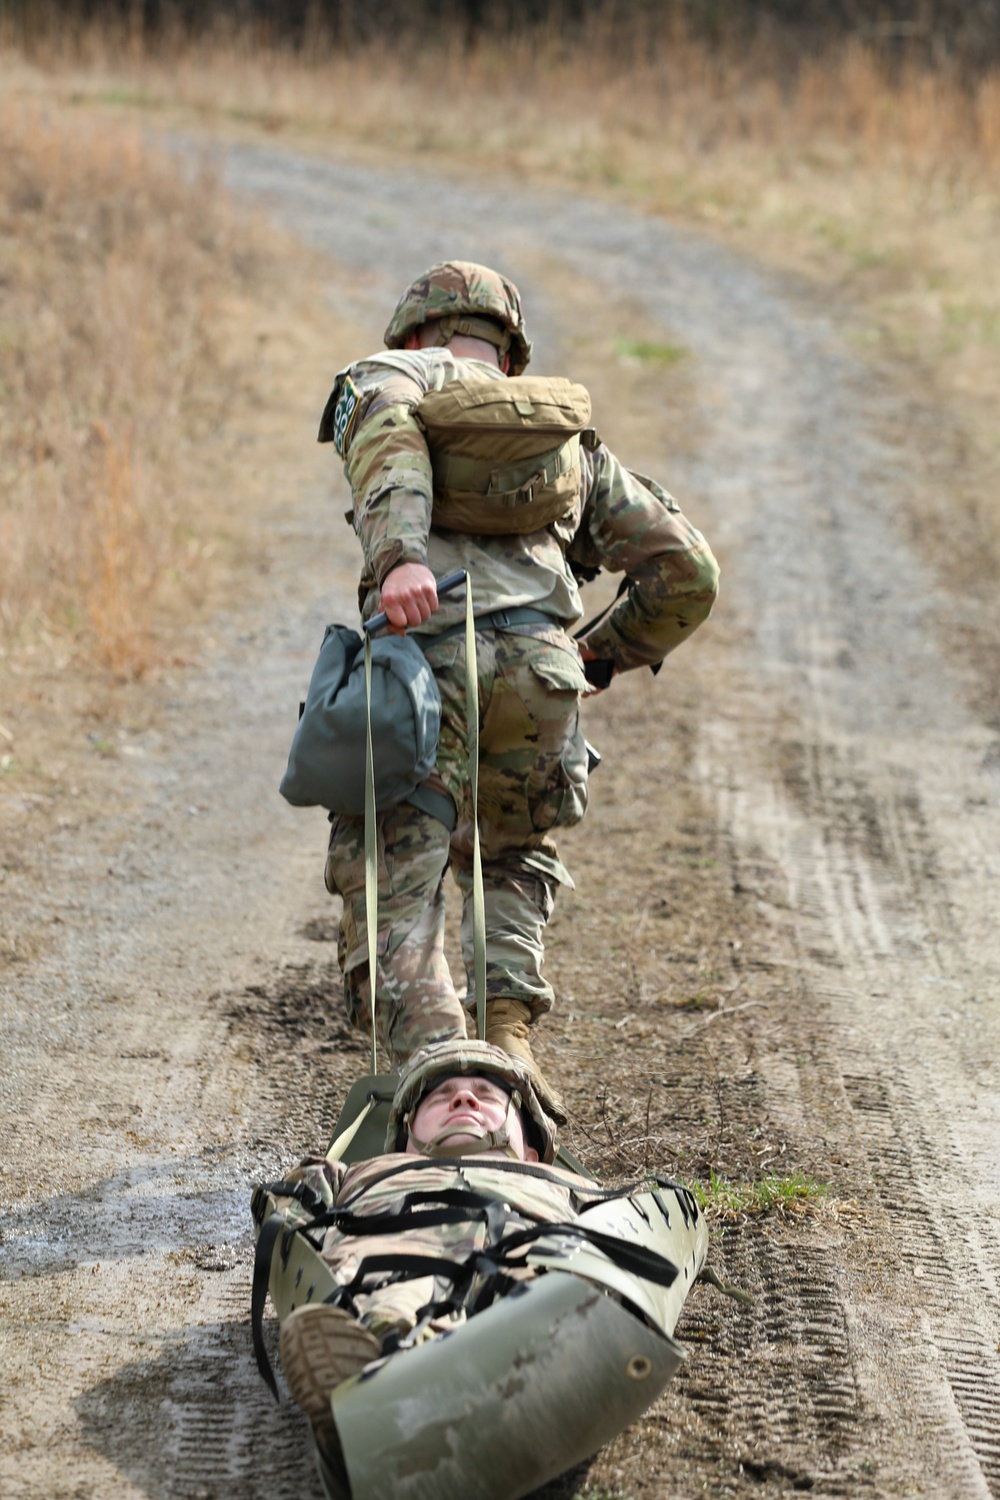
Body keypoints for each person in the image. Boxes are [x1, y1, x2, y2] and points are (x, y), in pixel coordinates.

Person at [317, 261, 720, 1116]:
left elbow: (388, 443)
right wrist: (596, 656)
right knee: (511, 856)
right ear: (508, 349)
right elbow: (688, 571)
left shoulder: (390, 378)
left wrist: (400, 559)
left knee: (398, 867)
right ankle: (509, 1053)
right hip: (540, 674)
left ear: (417, 332)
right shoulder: (560, 433)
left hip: (421, 665)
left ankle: (434, 1078)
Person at [256, 1040, 607, 1466]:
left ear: (532, 1154)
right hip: (391, 1269)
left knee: (546, 1304)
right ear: (406, 1143)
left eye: (488, 1095)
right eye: (441, 1096)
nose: (463, 1098)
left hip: (526, 1267)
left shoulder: (567, 1187)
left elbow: (647, 1225)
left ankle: (395, 1401)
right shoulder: (358, 1174)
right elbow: (284, 1215)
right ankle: (385, 1378)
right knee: (391, 1307)